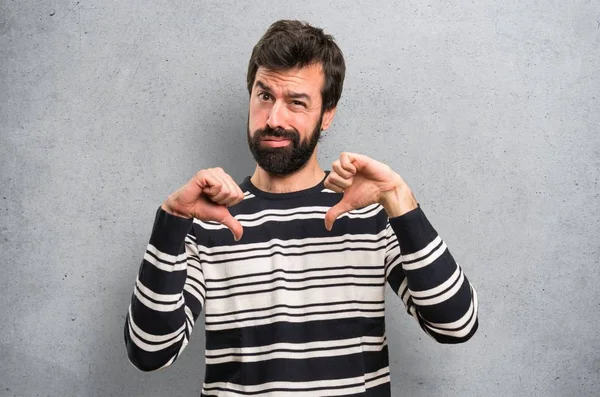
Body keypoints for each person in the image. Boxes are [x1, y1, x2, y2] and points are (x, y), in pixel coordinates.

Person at [124, 19, 478, 397]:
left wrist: (400, 200)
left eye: (296, 102)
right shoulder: (207, 221)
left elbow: (455, 325)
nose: (274, 119)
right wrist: (172, 221)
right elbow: (150, 352)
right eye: (264, 97)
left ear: (327, 114)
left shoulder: (369, 213)